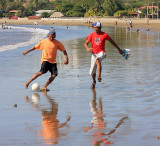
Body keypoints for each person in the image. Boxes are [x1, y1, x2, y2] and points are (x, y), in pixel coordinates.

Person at [84, 22, 123, 89]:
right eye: (94, 27)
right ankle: (94, 81)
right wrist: (87, 48)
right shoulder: (91, 35)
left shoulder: (104, 35)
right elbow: (86, 43)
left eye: (95, 27)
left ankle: (99, 75)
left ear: (99, 28)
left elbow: (112, 42)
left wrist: (119, 49)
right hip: (94, 54)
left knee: (98, 60)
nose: (94, 28)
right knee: (91, 72)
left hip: (102, 53)